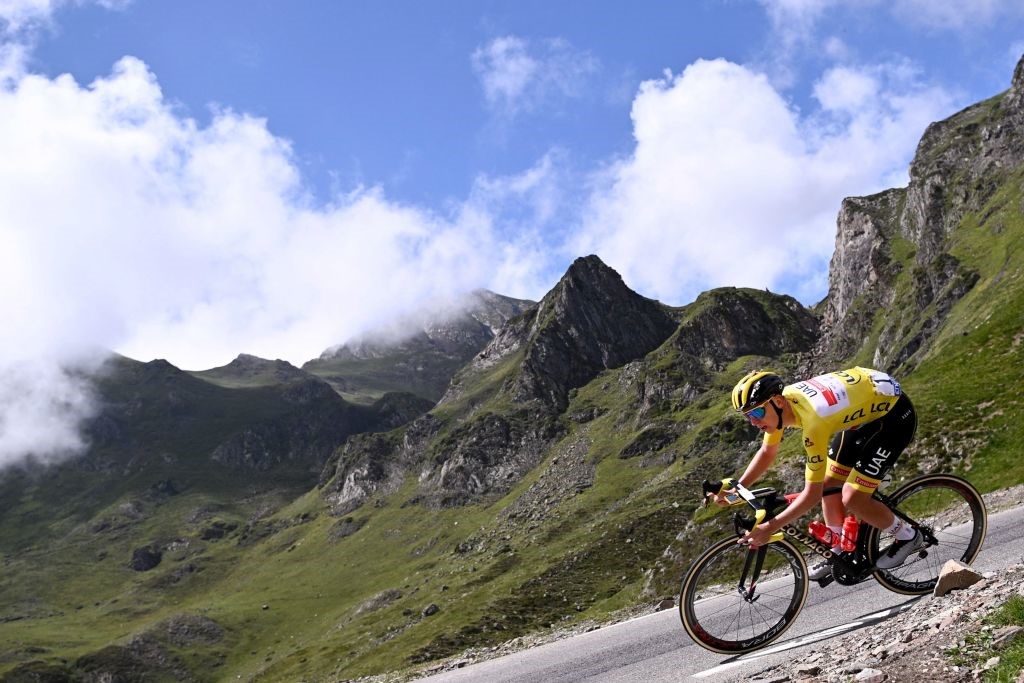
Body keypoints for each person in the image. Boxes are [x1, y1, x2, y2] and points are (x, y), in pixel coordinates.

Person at [713, 367, 922, 581]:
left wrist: (770, 527)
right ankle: (840, 550)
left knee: (853, 497)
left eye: (756, 413)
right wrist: (736, 488)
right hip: (863, 411)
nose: (753, 422)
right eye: (748, 416)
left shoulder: (813, 422)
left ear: (777, 401)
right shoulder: (780, 407)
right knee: (830, 484)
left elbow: (811, 495)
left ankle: (907, 536)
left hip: (895, 417)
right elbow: (767, 452)